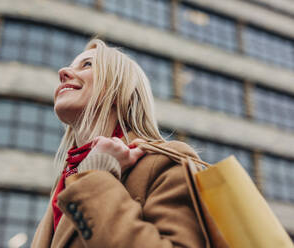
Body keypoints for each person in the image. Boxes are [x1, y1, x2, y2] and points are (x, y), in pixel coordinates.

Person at [32, 39, 205, 248]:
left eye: (87, 65)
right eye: (70, 65)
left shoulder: (164, 160)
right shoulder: (64, 184)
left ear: (118, 90)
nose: (63, 72)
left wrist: (96, 176)